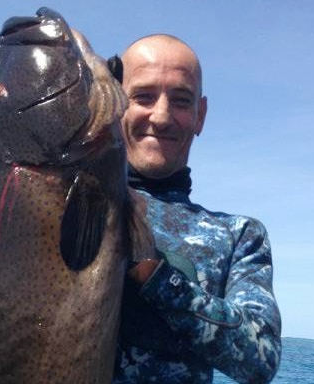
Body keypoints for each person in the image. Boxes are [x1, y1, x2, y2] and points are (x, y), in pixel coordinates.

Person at [111, 34, 282, 383]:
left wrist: (154, 275)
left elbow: (261, 360)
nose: (161, 116)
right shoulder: (63, 203)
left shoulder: (240, 236)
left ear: (200, 116)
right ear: (113, 103)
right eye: (143, 96)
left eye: (181, 100)